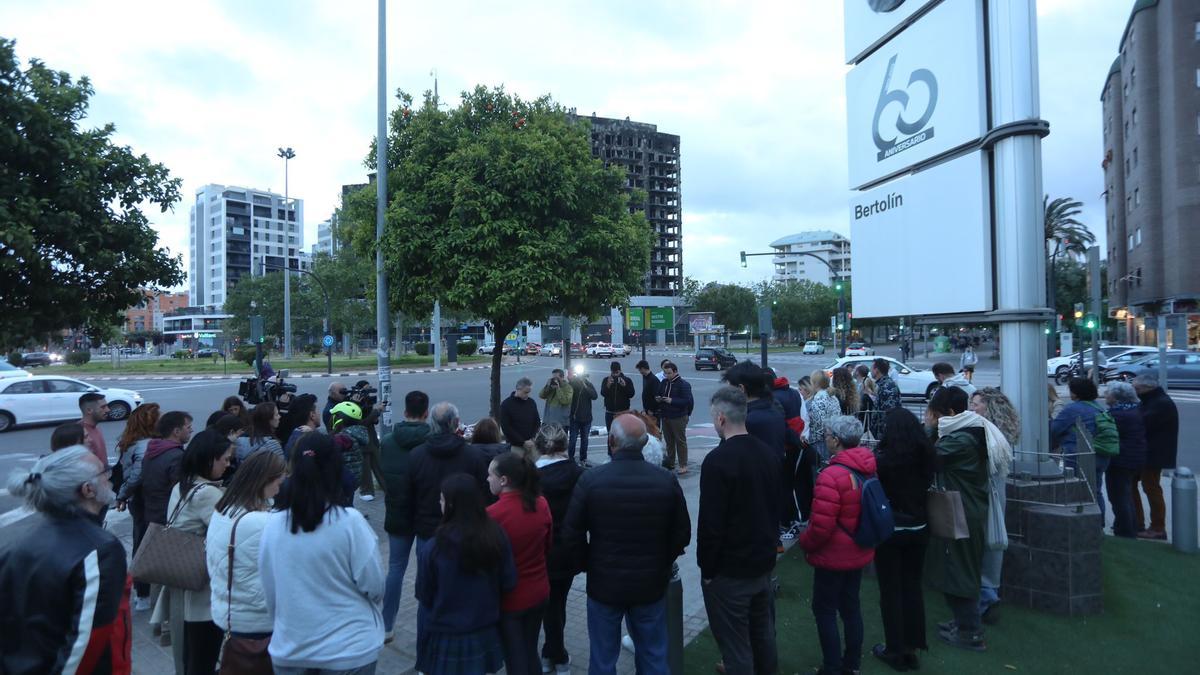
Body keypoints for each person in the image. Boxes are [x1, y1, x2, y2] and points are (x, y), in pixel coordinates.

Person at [562, 415, 691, 675]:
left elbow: (570, 535)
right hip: (650, 585)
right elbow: (682, 534)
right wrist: (662, 562)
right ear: (644, 442)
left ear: (611, 441)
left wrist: (587, 564)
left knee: (602, 658)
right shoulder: (665, 480)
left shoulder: (592, 480)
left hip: (604, 585)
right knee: (654, 654)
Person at [259, 432, 385, 675]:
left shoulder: (272, 525)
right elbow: (375, 585)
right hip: (349, 650)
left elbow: (269, 588)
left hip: (292, 648)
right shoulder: (350, 522)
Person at [1, 446, 130, 674]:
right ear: (88, 489)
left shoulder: (16, 541)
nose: (110, 478)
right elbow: (86, 642)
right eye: (104, 472)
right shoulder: (101, 550)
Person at [699, 387, 781, 675]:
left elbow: (711, 524)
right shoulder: (767, 454)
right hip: (762, 564)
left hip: (730, 570)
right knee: (763, 634)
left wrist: (707, 569)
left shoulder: (718, 461)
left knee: (736, 645)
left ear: (721, 419)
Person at [150, 429, 233, 675]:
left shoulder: (182, 485)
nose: (228, 465)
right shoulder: (207, 493)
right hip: (199, 586)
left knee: (187, 652)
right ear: (209, 458)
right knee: (202, 655)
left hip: (179, 578)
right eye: (225, 459)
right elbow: (225, 533)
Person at [415, 474, 515, 675]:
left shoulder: (435, 547)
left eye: (442, 499)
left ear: (451, 505)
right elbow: (509, 580)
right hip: (485, 628)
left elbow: (424, 593)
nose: (439, 503)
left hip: (447, 632)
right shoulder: (496, 534)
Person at [799, 416, 877, 675]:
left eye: (829, 434)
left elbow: (821, 525)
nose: (826, 437)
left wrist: (805, 543)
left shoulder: (831, 475)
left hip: (833, 555)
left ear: (836, 440)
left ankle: (832, 666)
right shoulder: (868, 466)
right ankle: (852, 663)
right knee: (851, 607)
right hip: (859, 548)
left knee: (825, 609)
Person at [924, 386, 996, 653]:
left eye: (935, 412)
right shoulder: (969, 430)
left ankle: (971, 632)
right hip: (964, 508)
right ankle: (962, 623)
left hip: (962, 511)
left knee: (961, 571)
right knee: (957, 568)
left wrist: (929, 428)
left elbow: (927, 457)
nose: (931, 416)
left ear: (950, 413)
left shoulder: (960, 439)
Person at [871, 408, 935, 672]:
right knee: (911, 586)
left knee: (890, 590)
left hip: (891, 529)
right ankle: (911, 647)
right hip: (919, 526)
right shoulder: (927, 455)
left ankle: (894, 648)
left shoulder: (884, 460)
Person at [205, 451, 287, 658]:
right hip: (256, 618)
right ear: (265, 481)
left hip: (229, 611)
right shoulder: (260, 523)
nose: (279, 490)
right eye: (279, 482)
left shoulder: (224, 509)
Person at [487, 452, 553, 675]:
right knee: (529, 648)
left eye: (490, 475)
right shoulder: (541, 504)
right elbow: (547, 546)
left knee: (515, 659)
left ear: (503, 480)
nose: (487, 479)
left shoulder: (492, 515)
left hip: (511, 600)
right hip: (539, 591)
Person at [380, 390, 432, 641]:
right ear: (426, 413)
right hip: (426, 515)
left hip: (397, 512)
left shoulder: (388, 441)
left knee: (395, 569)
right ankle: (426, 629)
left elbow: (384, 474)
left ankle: (386, 626)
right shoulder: (432, 440)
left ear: (404, 412)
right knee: (427, 573)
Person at [534, 425, 585, 673]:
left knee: (547, 604)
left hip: (537, 550)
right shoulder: (578, 473)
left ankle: (551, 653)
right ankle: (555, 654)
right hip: (567, 549)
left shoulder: (529, 476)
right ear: (565, 446)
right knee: (557, 602)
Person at [967, 388, 1018, 625]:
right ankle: (988, 594)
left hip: (983, 497)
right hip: (995, 497)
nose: (972, 408)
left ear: (990, 407)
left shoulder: (985, 434)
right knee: (990, 549)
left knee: (982, 548)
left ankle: (984, 600)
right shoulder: (1002, 433)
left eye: (976, 404)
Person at [409, 402, 490, 546]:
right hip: (465, 529)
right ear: (457, 423)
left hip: (427, 530)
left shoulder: (416, 455)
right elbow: (484, 492)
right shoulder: (473, 455)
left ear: (431, 422)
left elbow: (408, 494)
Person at [114, 402, 161, 611]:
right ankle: (143, 593)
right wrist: (124, 494)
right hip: (144, 499)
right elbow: (137, 475)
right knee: (145, 544)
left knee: (140, 541)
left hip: (137, 500)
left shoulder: (130, 442)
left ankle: (142, 591)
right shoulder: (146, 445)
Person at [1132, 372, 1178, 540]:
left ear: (1146, 388)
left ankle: (1157, 527)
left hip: (1152, 454)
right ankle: (1138, 522)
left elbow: (1141, 423)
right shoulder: (1155, 401)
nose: (1134, 391)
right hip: (1149, 452)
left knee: (1151, 488)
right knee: (1139, 485)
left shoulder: (1159, 404)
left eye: (1136, 388)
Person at [1051, 378, 1106, 517]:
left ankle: (1081, 518)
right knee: (1096, 490)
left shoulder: (1072, 409)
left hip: (1077, 454)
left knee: (1077, 490)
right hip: (1100, 453)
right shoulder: (1098, 407)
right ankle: (1099, 522)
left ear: (1075, 393)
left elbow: (1055, 428)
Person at [1103, 382, 1147, 538]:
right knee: (1125, 495)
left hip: (1121, 461)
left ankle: (1125, 532)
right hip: (1133, 459)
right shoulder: (1133, 410)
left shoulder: (1118, 415)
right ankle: (1129, 527)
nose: (1105, 394)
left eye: (1108, 392)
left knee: (1118, 497)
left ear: (1116, 397)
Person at [657, 361, 694, 475]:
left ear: (675, 372)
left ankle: (683, 465)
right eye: (665, 373)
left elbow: (687, 401)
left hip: (678, 416)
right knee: (669, 441)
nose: (667, 375)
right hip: (666, 415)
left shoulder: (683, 384)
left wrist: (672, 401)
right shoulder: (664, 382)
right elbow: (659, 392)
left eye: (669, 373)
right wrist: (659, 398)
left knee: (680, 441)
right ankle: (671, 462)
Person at [330, 401, 367, 488]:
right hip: (353, 479)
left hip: (342, 483)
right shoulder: (356, 433)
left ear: (338, 419)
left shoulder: (343, 438)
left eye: (333, 416)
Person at [807, 370, 842, 464]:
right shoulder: (833, 397)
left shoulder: (818, 399)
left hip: (821, 443)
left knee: (820, 469)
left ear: (815, 383)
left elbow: (819, 426)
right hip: (834, 439)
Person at [500, 378, 541, 454]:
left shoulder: (531, 402)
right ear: (518, 389)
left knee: (537, 465)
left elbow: (537, 422)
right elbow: (506, 427)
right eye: (525, 392)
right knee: (517, 465)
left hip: (531, 444)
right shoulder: (506, 405)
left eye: (529, 392)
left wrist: (532, 439)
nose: (527, 395)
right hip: (515, 446)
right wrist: (522, 442)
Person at [567, 367, 598, 465]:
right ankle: (570, 458)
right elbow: (568, 391)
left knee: (585, 439)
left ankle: (583, 459)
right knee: (573, 439)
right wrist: (572, 379)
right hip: (575, 417)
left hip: (587, 418)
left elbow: (594, 396)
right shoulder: (573, 384)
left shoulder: (588, 384)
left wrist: (585, 385)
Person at [280, 394, 321, 459]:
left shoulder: (293, 438)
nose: (319, 414)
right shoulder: (312, 443)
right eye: (318, 410)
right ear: (312, 415)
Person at [601, 361, 636, 430]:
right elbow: (603, 393)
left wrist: (624, 386)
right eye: (613, 373)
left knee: (624, 434)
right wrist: (608, 385)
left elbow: (631, 394)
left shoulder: (627, 380)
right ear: (611, 371)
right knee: (611, 434)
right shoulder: (606, 380)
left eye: (617, 372)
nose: (615, 375)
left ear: (620, 371)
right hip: (610, 413)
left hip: (623, 412)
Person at [78, 391, 110, 466]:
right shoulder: (80, 432)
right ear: (89, 410)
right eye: (103, 407)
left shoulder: (96, 427)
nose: (108, 410)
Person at [872, 358, 903, 434]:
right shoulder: (883, 384)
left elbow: (889, 414)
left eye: (872, 368)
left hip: (886, 433)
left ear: (876, 370)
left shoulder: (887, 386)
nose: (870, 371)